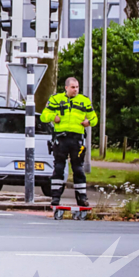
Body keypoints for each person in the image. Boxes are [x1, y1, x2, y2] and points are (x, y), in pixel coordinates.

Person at [40, 76, 98, 207]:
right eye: (73, 87)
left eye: (77, 87)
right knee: (59, 168)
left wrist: (89, 122)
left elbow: (94, 118)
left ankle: (82, 198)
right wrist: (53, 117)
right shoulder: (56, 99)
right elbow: (44, 116)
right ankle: (55, 197)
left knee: (78, 169)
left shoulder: (84, 101)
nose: (75, 90)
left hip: (77, 139)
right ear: (66, 88)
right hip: (61, 138)